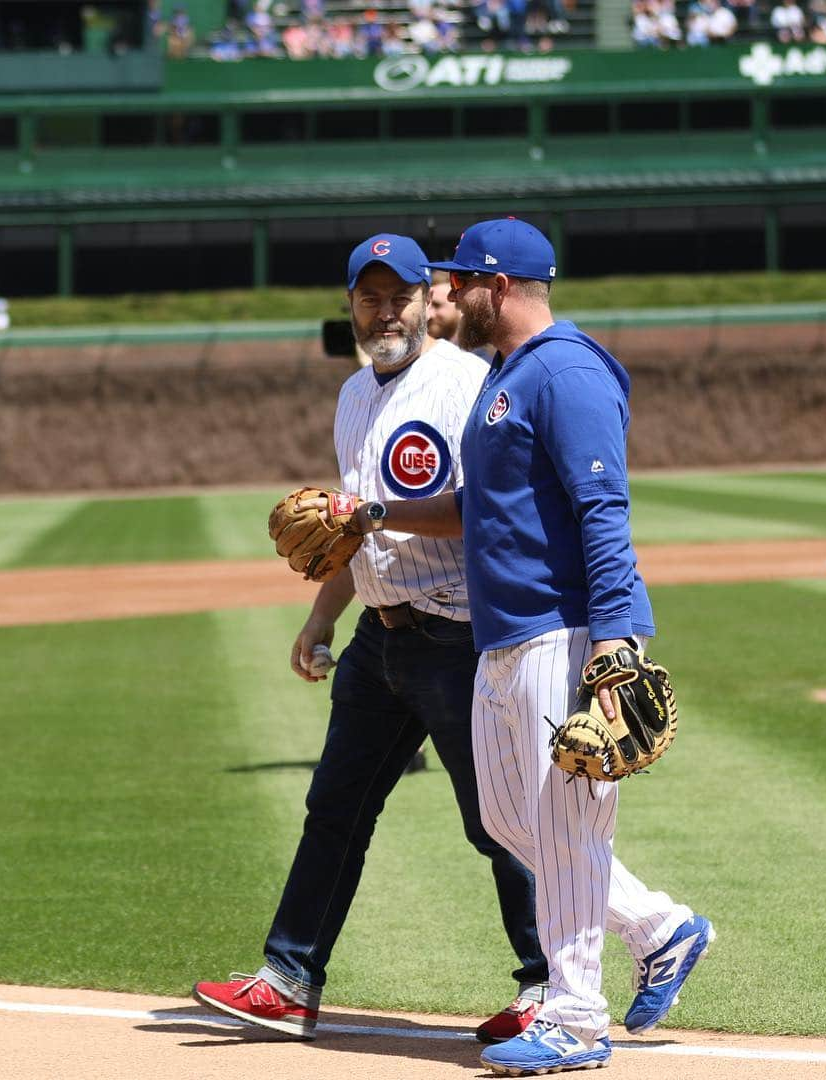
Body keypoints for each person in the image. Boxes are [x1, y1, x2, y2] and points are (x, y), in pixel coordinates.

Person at [341, 219, 714, 1075]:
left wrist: (616, 642)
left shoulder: (569, 371)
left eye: (457, 283)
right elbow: (483, 511)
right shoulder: (506, 377)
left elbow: (603, 512)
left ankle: (577, 1017)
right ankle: (661, 928)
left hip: (565, 626)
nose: (444, 298)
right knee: (510, 820)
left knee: (568, 823)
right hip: (501, 635)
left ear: (498, 288)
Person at [193, 233, 549, 1044]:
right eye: (370, 297)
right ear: (350, 306)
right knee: (336, 807)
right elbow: (351, 531)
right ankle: (288, 980)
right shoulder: (355, 395)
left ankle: (548, 986)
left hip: (458, 639)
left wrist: (372, 515)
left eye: (401, 296)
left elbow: (477, 511)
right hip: (378, 638)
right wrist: (321, 618)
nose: (385, 311)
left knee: (500, 822)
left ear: (432, 301)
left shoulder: (467, 386)